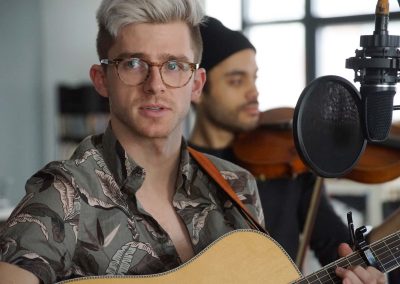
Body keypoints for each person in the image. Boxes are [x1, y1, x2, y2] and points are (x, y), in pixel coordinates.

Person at [0, 1, 385, 284]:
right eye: (133, 63)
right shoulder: (62, 195)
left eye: (173, 66)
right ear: (102, 80)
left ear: (195, 84)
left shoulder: (237, 186)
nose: (155, 85)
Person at [189, 15, 387, 272]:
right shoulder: (181, 168)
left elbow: (340, 249)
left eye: (254, 78)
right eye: (237, 81)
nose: (254, 92)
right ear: (198, 88)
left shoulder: (287, 163)